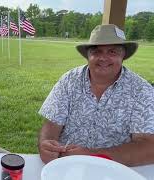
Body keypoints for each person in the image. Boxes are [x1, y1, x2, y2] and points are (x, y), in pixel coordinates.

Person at [38, 24, 154, 166]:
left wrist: (92, 155)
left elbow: (149, 147)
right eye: (97, 51)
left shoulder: (141, 90)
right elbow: (51, 126)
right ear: (88, 55)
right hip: (67, 167)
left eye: (112, 52)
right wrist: (46, 145)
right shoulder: (69, 80)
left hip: (114, 170)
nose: (103, 58)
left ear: (123, 55)